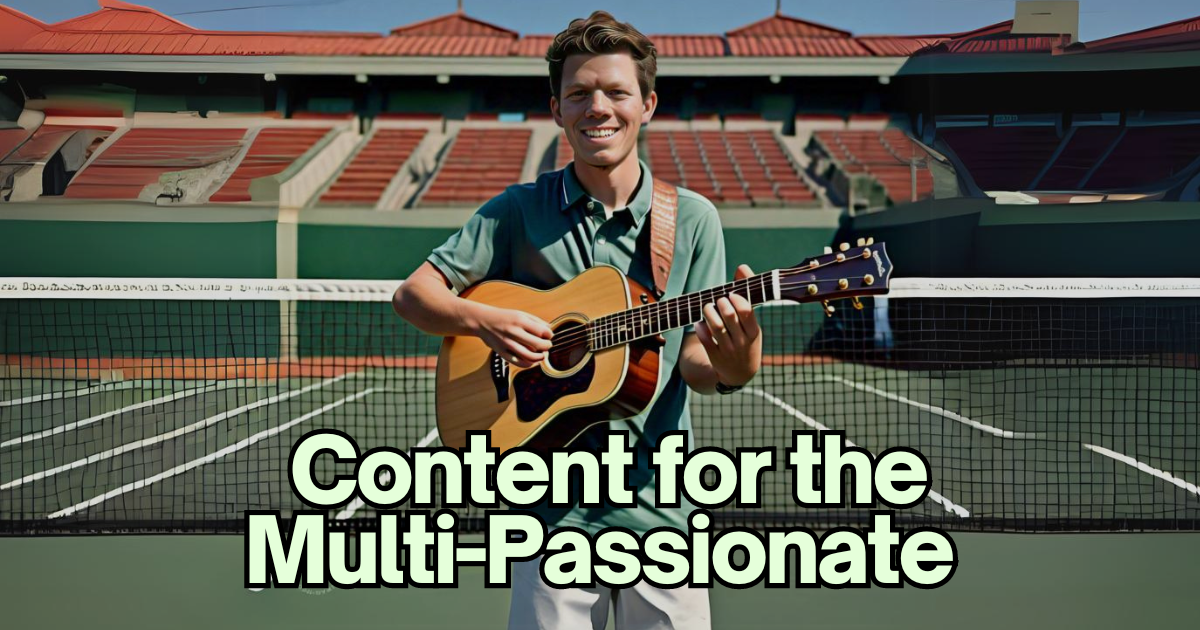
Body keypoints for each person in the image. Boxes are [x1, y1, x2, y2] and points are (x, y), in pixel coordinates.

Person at [392, 11, 762, 630]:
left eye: (617, 92)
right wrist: (485, 321)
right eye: (579, 94)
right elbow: (413, 295)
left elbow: (696, 364)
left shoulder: (693, 220)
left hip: (660, 513)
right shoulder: (517, 209)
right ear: (557, 110)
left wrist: (737, 360)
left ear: (647, 104)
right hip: (544, 517)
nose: (598, 108)